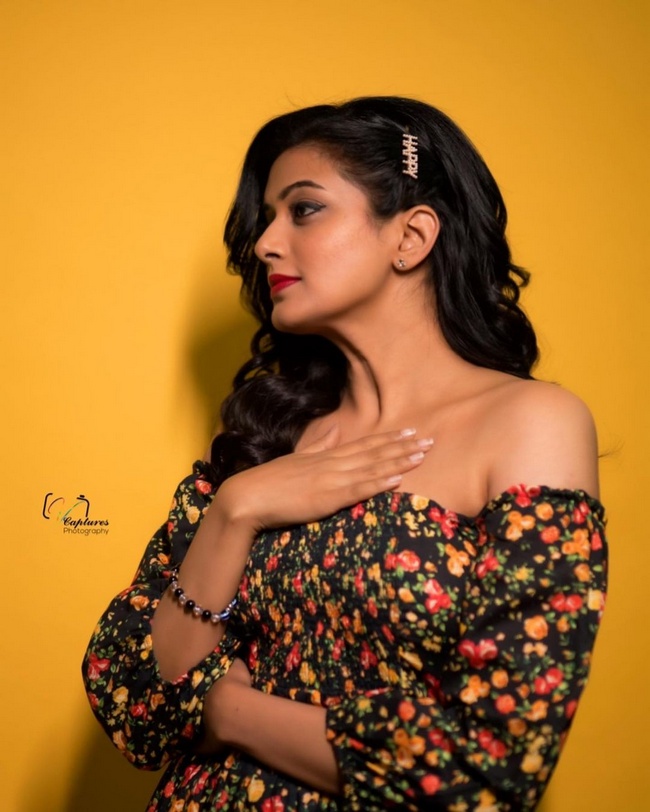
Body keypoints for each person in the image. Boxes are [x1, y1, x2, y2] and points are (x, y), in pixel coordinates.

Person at [82, 97, 607, 811]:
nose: (266, 243)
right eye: (266, 219)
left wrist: (226, 711)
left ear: (411, 235)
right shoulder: (264, 442)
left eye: (304, 210)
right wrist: (238, 508)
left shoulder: (530, 425)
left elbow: (486, 770)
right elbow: (138, 706)